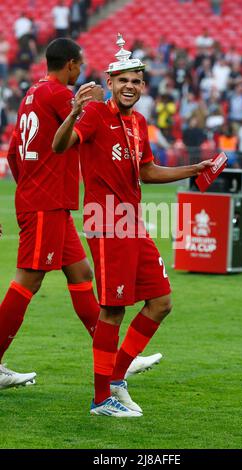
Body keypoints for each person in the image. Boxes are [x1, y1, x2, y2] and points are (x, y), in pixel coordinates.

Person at [53, 34, 214, 417]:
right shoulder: (93, 114)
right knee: (113, 310)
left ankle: (117, 378)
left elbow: (147, 171)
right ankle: (100, 399)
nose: (129, 86)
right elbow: (61, 147)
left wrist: (193, 169)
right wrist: (74, 112)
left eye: (135, 80)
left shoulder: (140, 122)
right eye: (122, 79)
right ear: (110, 83)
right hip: (105, 219)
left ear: (143, 86)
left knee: (161, 301)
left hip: (132, 221)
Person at [0, 38, 162, 392]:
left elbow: (14, 153)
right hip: (46, 202)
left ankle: (119, 358)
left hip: (46, 200)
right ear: (71, 65)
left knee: (81, 272)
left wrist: (29, 187)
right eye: (80, 64)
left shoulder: (31, 94)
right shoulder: (59, 95)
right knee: (28, 280)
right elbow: (88, 126)